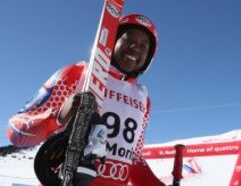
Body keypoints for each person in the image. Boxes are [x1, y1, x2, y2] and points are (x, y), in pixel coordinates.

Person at [7, 13, 166, 186]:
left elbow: (134, 160)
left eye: (144, 45)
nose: (136, 47)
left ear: (149, 57)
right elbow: (15, 132)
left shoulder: (143, 100)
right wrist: (56, 119)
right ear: (112, 41)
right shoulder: (76, 74)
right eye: (129, 39)